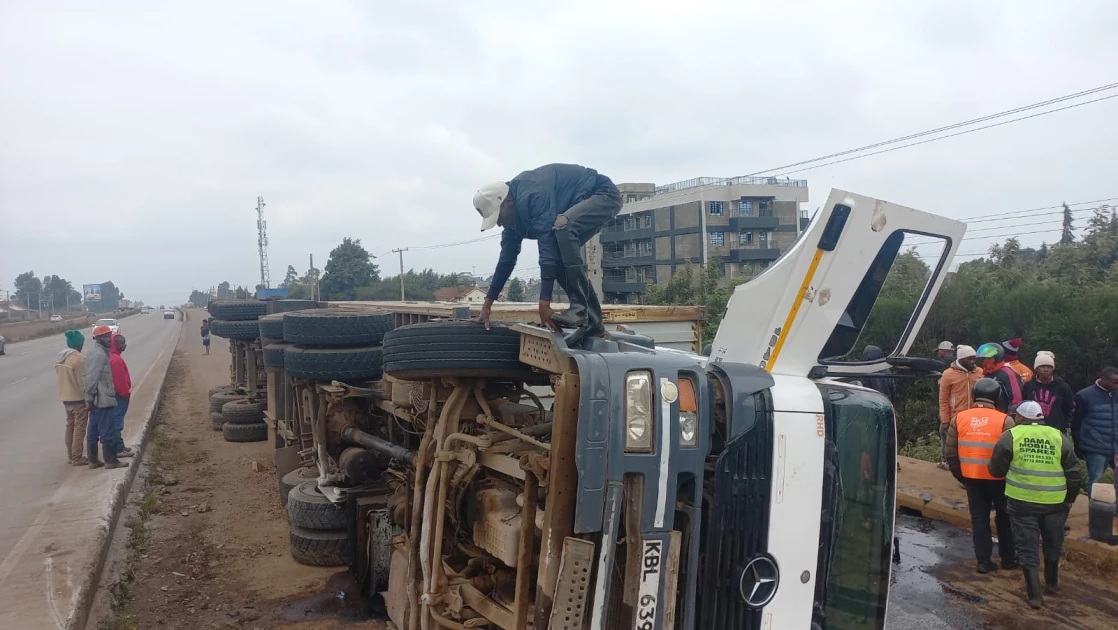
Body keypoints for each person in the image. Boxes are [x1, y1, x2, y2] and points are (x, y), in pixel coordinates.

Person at [472, 164, 622, 337]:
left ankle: (580, 310)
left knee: (563, 228)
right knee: (559, 254)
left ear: (508, 202)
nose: (498, 223)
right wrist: (487, 305)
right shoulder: (512, 221)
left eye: (498, 217)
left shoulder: (534, 195)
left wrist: (544, 302)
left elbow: (547, 251)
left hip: (603, 195)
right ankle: (594, 325)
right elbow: (506, 261)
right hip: (578, 205)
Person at [989, 400, 1082, 609]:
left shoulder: (1010, 436)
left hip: (1021, 503)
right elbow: (1074, 473)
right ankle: (1051, 584)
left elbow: (995, 470)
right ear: (1041, 417)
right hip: (1055, 503)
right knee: (1053, 542)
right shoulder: (1058, 437)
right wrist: (1070, 499)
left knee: (1027, 546)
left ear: (1020, 418)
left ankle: (1034, 596)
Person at [945, 378, 1018, 573]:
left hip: (972, 479)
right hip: (1000, 481)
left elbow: (950, 453)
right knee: (1005, 518)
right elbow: (1012, 454)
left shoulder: (959, 418)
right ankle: (1009, 558)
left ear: (974, 396)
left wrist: (961, 476)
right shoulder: (1005, 420)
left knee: (979, 520)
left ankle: (983, 561)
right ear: (997, 397)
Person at [1070, 366, 1118, 497]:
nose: (1117, 385)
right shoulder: (1084, 396)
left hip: (1116, 446)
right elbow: (1076, 423)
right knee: (1096, 481)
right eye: (1114, 382)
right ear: (1103, 379)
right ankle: (1096, 512)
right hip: (1095, 446)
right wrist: (1077, 444)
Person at [83, 325, 125, 469]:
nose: (108, 339)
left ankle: (93, 460)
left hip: (97, 399)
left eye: (109, 336)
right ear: (97, 339)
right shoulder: (99, 355)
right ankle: (111, 461)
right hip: (102, 399)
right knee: (107, 430)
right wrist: (89, 398)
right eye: (105, 337)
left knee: (93, 430)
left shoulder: (98, 353)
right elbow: (91, 378)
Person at [938, 344, 982, 469]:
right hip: (955, 417)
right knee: (950, 443)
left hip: (974, 418)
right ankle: (947, 462)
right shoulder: (948, 374)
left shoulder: (980, 373)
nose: (973, 361)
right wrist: (945, 419)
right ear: (961, 359)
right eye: (969, 358)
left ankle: (968, 468)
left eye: (974, 358)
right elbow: (943, 399)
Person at [55, 329, 89, 466]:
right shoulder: (79, 359)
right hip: (78, 399)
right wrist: (89, 399)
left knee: (70, 427)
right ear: (79, 344)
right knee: (79, 428)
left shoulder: (60, 358)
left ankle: (70, 455)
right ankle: (77, 457)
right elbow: (83, 383)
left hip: (66, 398)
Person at [1021, 351, 1074, 433]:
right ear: (1036, 368)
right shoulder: (1028, 386)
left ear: (1053, 368)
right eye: (1042, 366)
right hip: (1032, 431)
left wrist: (1063, 424)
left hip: (1056, 431)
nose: (1046, 370)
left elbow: (1070, 408)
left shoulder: (1063, 387)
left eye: (1049, 367)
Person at [976, 343, 1023, 413]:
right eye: (984, 359)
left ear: (998, 358)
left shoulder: (1008, 373)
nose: (985, 361)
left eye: (989, 358)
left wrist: (1010, 418)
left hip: (1003, 417)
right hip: (988, 415)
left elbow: (1016, 400)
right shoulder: (987, 374)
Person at [109, 333, 134, 458]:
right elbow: (119, 381)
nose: (125, 345)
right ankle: (118, 449)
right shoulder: (116, 360)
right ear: (116, 345)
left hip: (118, 395)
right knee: (117, 423)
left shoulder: (114, 357)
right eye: (122, 343)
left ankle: (120, 445)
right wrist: (125, 394)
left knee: (117, 422)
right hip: (120, 396)